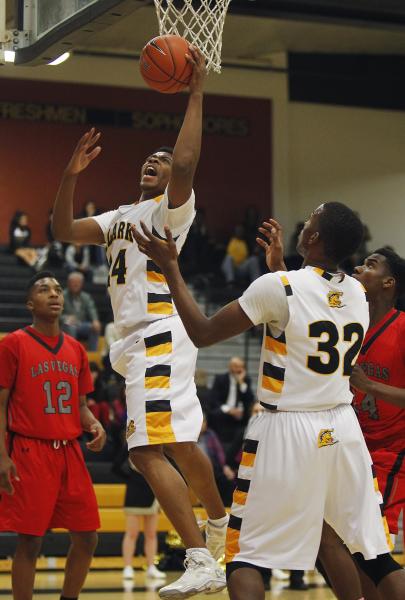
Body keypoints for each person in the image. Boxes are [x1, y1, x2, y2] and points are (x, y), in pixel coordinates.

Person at [131, 201, 405, 600]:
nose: (304, 224)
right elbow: (303, 306)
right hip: (343, 429)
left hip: (287, 427)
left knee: (244, 557)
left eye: (309, 221)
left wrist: (171, 267)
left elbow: (204, 333)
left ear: (312, 237)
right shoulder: (357, 294)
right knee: (377, 556)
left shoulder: (279, 288)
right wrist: (278, 266)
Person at [52, 46, 227, 599]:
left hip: (158, 331)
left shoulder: (169, 210)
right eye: (148, 159)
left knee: (145, 450)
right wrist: (69, 176)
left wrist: (195, 91)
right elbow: (61, 229)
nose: (155, 162)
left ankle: (202, 556)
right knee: (177, 442)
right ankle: (222, 524)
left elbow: (188, 161)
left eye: (162, 158)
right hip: (136, 342)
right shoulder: (117, 218)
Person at [0, 271, 106, 600]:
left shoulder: (75, 349)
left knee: (88, 536)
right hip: (30, 451)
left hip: (69, 453)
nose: (54, 294)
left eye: (58, 290)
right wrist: (2, 456)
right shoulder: (13, 344)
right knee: (30, 540)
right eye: (44, 290)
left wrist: (93, 423)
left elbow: (80, 405)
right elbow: (0, 405)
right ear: (31, 303)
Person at [316, 248, 405, 600]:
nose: (357, 267)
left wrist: (370, 386)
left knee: (369, 551)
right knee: (324, 539)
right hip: (350, 449)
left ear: (388, 282)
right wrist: (277, 267)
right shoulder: (347, 321)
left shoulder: (402, 328)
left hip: (392, 453)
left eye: (370, 264)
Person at [122, 466, 166, 582]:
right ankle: (127, 567)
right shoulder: (128, 449)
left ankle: (151, 567)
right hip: (134, 493)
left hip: (152, 493)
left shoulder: (155, 449)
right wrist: (132, 478)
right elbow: (116, 467)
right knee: (132, 533)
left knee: (151, 534)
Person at [208, 357, 254, 447]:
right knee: (214, 413)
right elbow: (214, 399)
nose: (238, 369)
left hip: (239, 417)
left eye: (241, 367)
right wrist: (229, 410)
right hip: (223, 412)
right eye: (235, 366)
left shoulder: (246, 380)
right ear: (230, 366)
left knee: (246, 419)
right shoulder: (220, 379)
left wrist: (241, 383)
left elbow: (250, 400)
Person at [62, 271, 101, 351]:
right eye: (74, 282)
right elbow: (56, 314)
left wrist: (95, 320)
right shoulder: (62, 296)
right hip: (65, 325)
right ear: (68, 283)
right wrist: (66, 318)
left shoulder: (86, 297)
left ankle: (92, 354)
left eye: (78, 282)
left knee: (94, 327)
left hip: (81, 324)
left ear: (82, 284)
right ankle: (72, 353)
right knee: (71, 327)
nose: (76, 285)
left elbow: (91, 309)